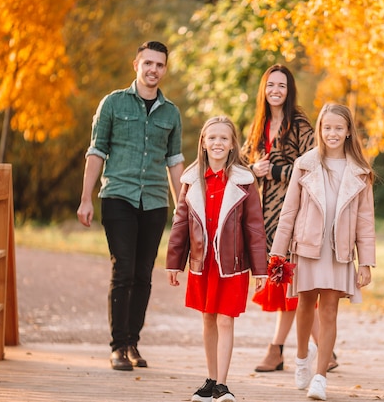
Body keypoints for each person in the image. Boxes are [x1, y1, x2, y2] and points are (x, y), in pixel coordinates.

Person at [76, 41, 184, 371]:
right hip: (118, 196)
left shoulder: (171, 113)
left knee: (143, 274)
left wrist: (182, 208)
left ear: (165, 69)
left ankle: (133, 343)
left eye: (160, 65)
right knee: (122, 270)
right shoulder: (112, 103)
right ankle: (117, 346)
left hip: (154, 202)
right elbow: (97, 151)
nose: (153, 69)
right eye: (148, 63)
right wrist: (85, 198)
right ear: (135, 64)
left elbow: (175, 161)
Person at [270, 103, 376, 401]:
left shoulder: (360, 172)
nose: (332, 133)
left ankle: (320, 377)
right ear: (320, 130)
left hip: (339, 251)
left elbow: (366, 221)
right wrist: (277, 253)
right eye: (327, 127)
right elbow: (289, 211)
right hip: (307, 248)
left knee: (330, 310)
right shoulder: (305, 164)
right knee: (305, 306)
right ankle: (302, 358)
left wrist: (365, 262)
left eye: (338, 128)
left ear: (348, 132)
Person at [242, 64, 337, 373]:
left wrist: (278, 171)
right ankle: (326, 350)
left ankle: (277, 349)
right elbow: (242, 161)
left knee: (289, 281)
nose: (275, 90)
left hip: (295, 214)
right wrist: (253, 170)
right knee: (288, 282)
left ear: (289, 89)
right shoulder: (259, 125)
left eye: (281, 85)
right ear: (264, 89)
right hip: (265, 218)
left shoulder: (299, 125)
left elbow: (316, 164)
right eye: (270, 85)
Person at [165, 116, 268, 402]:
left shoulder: (244, 181)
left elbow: (254, 227)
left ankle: (223, 385)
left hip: (232, 266)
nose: (218, 143)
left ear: (233, 143)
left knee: (225, 321)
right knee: (208, 319)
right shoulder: (191, 179)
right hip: (203, 262)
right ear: (203, 142)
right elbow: (180, 223)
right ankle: (210, 381)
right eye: (212, 138)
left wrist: (260, 269)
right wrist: (174, 262)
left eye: (224, 138)